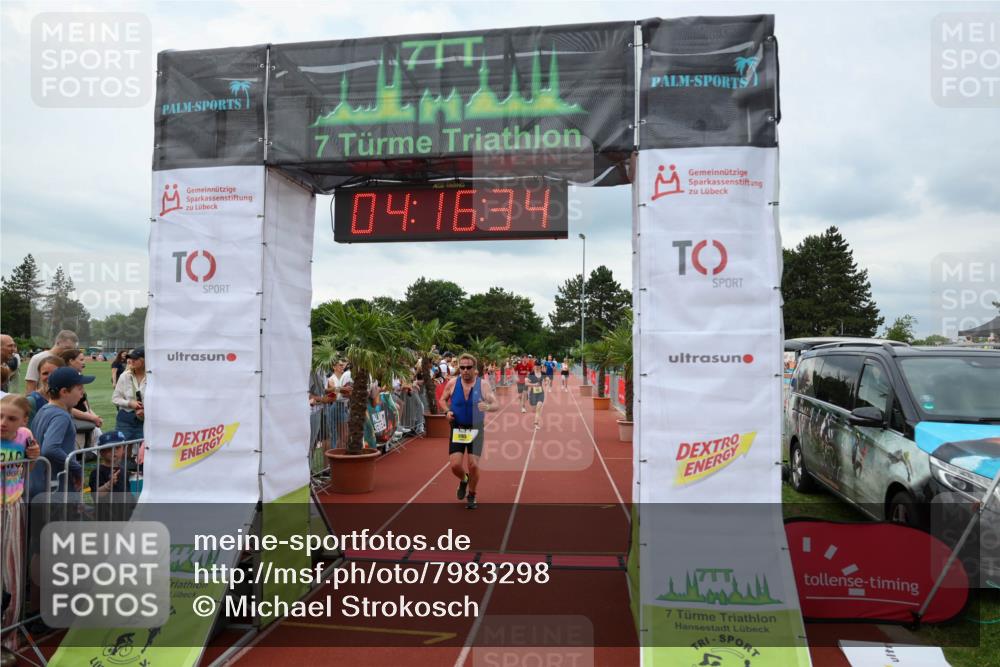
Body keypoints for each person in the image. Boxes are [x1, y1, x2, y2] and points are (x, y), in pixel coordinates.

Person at [1, 394, 39, 657]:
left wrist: (34, 456)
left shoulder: (25, 435)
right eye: (0, 416)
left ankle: (7, 641)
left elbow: (28, 468)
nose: (3, 422)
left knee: (11, 576)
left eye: (11, 418)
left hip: (12, 509)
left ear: (24, 420)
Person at [438, 353, 498, 509]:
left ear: (474, 368)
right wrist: (447, 412)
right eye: (462, 367)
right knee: (455, 466)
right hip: (458, 427)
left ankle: (472, 494)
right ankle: (464, 480)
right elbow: (442, 400)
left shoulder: (483, 385)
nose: (465, 370)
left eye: (468, 367)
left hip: (476, 428)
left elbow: (495, 404)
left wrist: (488, 407)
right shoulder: (452, 383)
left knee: (473, 465)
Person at [30, 367, 95, 493]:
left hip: (40, 482)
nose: (82, 393)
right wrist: (76, 468)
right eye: (79, 388)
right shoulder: (61, 416)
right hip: (55, 485)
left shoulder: (44, 410)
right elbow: (50, 448)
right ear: (64, 391)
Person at [59, 349, 104, 442]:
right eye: (81, 360)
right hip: (75, 425)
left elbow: (84, 403)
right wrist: (92, 417)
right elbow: (66, 407)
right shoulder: (64, 379)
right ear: (71, 361)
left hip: (84, 422)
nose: (84, 362)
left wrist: (94, 416)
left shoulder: (78, 376)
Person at [23, 330, 78, 394]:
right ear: (58, 343)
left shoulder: (67, 361)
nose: (69, 351)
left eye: (72, 349)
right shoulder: (38, 358)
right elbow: (30, 387)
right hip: (43, 401)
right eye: (67, 348)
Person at [112, 347, 146, 442]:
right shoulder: (125, 376)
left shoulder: (153, 377)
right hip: (125, 419)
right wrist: (130, 403)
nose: (131, 361)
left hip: (145, 419)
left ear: (144, 360)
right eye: (130, 358)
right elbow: (115, 398)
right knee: (122, 449)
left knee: (142, 451)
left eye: (135, 359)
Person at [26, 355, 65, 420]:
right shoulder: (32, 401)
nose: (49, 377)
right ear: (39, 375)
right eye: (45, 373)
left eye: (54, 373)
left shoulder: (65, 397)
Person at [527, 362, 546, 428]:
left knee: (538, 407)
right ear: (534, 366)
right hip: (533, 393)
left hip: (541, 393)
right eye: (536, 366)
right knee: (534, 409)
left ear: (540, 367)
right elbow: (527, 383)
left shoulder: (543, 373)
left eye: (538, 366)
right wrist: (534, 385)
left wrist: (547, 381)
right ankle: (532, 403)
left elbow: (546, 380)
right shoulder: (531, 374)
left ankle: (536, 423)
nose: (537, 367)